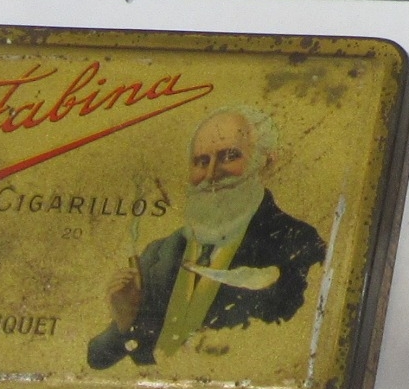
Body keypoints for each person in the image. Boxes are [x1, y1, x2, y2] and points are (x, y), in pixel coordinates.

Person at [88, 105, 327, 368]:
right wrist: (126, 321)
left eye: (229, 156)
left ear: (266, 164)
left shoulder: (297, 244)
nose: (212, 174)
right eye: (201, 162)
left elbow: (289, 353)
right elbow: (97, 359)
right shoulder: (160, 252)